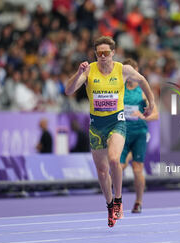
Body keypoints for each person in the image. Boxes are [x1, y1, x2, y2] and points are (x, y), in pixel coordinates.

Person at [65, 36, 155, 227]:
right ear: (96, 54)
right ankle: (109, 204)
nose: (103, 56)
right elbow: (68, 90)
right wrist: (78, 73)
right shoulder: (89, 70)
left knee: (115, 159)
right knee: (102, 170)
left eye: (106, 53)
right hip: (96, 126)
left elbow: (144, 81)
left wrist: (152, 103)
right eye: (99, 53)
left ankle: (119, 199)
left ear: (113, 53)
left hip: (117, 122)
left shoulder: (123, 70)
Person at [120, 58, 159, 213]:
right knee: (118, 166)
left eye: (133, 71)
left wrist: (143, 117)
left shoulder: (142, 92)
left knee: (137, 169)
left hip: (139, 134)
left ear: (137, 72)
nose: (130, 74)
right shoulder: (119, 88)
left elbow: (155, 114)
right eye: (126, 71)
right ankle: (117, 201)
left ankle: (138, 201)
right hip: (121, 132)